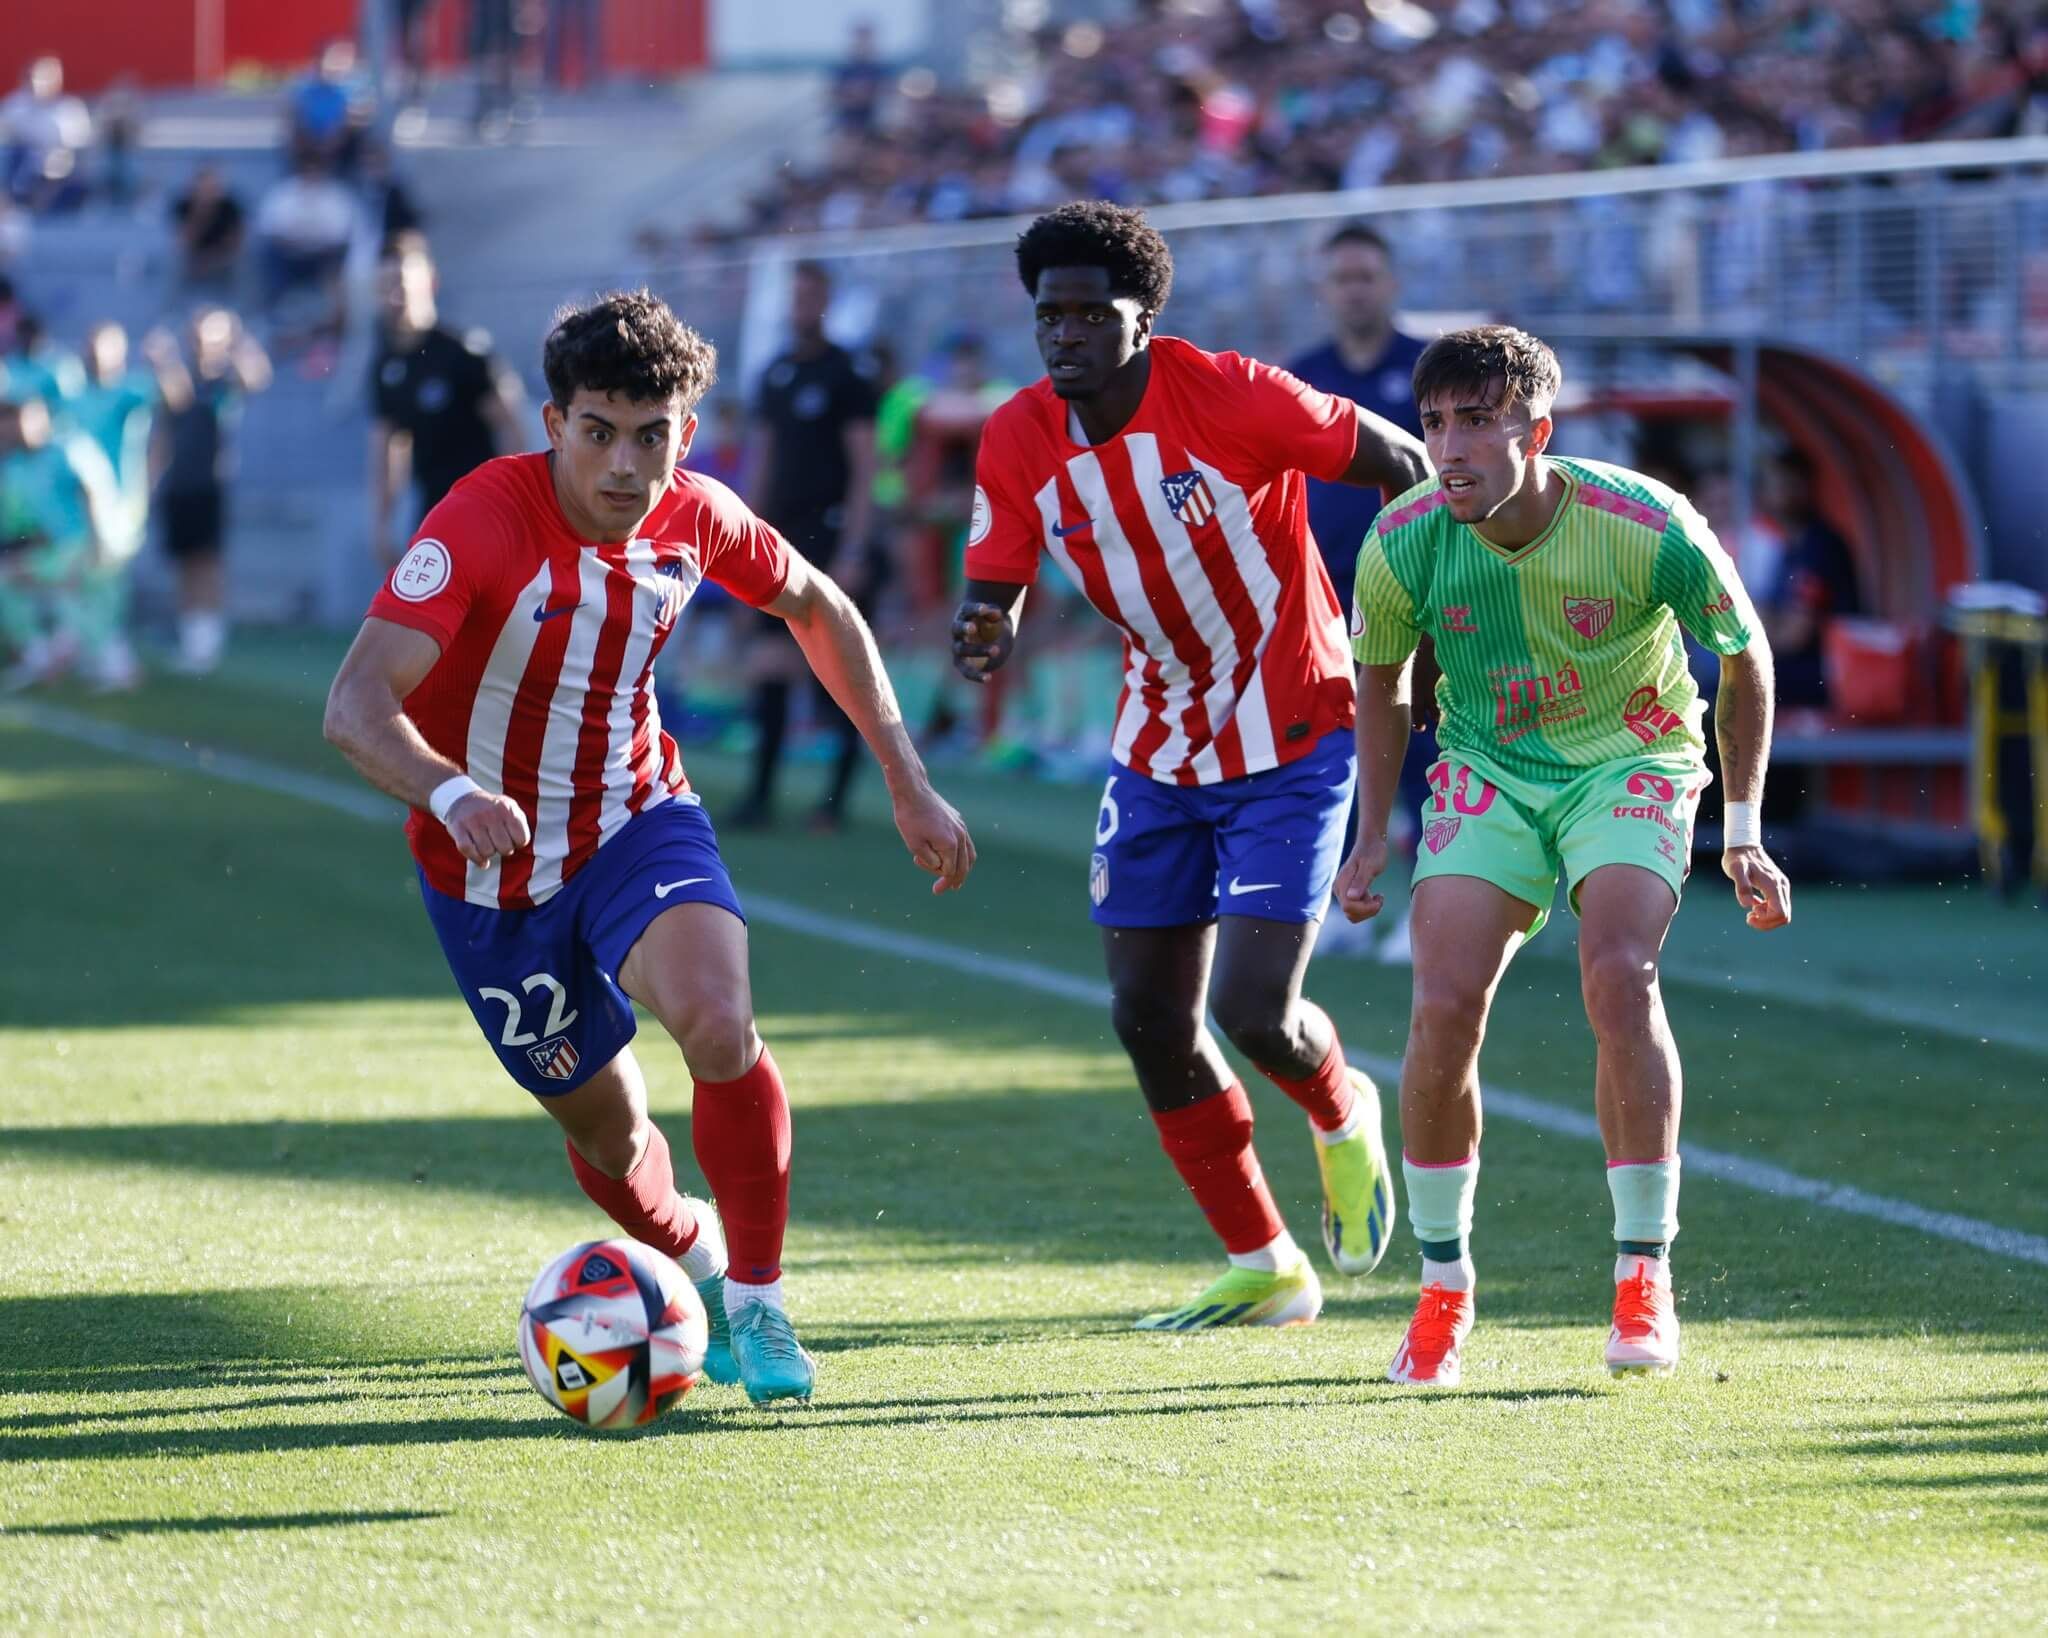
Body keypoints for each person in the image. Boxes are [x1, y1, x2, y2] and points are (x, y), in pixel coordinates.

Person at [322, 290, 974, 1405]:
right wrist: (445, 791)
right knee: (614, 1138)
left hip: (635, 818)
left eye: (652, 435)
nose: (625, 465)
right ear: (552, 424)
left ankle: (761, 1306)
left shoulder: (698, 513)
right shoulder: (480, 520)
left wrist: (906, 779)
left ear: (686, 429)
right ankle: (703, 1268)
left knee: (719, 1024)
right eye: (598, 433)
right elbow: (354, 703)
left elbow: (817, 606)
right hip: (487, 875)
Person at [951, 201, 1428, 1331]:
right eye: (1045, 315)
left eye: (1087, 313)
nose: (1061, 334)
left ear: (1142, 318)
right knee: (1146, 1019)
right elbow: (994, 575)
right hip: (1158, 748)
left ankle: (1339, 1105)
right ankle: (1265, 1262)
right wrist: (987, 624)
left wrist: (1418, 610)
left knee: (1257, 1008)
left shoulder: (1235, 392)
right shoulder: (1016, 435)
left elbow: (1402, 461)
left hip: (1294, 734)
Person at [1338, 325, 1792, 1387]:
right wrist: (1368, 838)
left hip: (1627, 757)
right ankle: (1442, 1287)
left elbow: (1743, 657)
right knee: (1441, 1003)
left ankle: (1643, 1276)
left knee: (1617, 976)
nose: (1447, 449)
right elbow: (1379, 683)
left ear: (1535, 431)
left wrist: (1743, 832)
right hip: (1487, 765)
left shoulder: (1644, 524)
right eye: (1434, 423)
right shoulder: (1401, 539)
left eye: (1477, 423)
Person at [1288, 222, 1434, 963]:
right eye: (1341, 277)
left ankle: (1429, 913)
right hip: (1324, 601)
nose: (1354, 289)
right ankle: (1344, 904)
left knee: (1424, 751)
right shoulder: (1301, 375)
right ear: (1324, 290)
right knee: (1332, 752)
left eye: (1366, 276)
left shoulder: (1426, 371)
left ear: (1392, 284)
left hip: (1420, 594)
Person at [733, 259, 880, 831]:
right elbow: (762, 458)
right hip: (783, 539)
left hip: (833, 533)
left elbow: (866, 466)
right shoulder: (774, 375)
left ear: (825, 302)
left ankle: (835, 802)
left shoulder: (849, 374)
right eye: (794, 296)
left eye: (811, 296)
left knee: (840, 670)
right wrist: (745, 532)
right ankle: (761, 795)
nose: (801, 307)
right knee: (769, 663)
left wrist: (856, 546)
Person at [368, 234, 524, 569]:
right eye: (385, 286)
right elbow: (387, 450)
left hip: (482, 510)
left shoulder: (463, 353)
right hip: (432, 515)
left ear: (430, 282)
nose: (394, 296)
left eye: (401, 283)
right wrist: (382, 523)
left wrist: (517, 504)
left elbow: (510, 427)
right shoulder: (385, 366)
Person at [148, 308, 272, 674]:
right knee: (184, 562)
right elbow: (174, 406)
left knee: (207, 562)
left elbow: (257, 377)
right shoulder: (183, 375)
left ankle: (207, 638)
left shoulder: (224, 382)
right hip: (178, 482)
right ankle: (191, 636)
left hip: (209, 484)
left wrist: (237, 342)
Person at [0, 387, 119, 689]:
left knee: (78, 600)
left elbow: (95, 495)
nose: (17, 425)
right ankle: (39, 657)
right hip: (48, 553)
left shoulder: (67, 448)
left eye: (23, 417)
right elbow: (26, 523)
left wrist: (98, 546)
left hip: (80, 548)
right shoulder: (14, 463)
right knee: (9, 583)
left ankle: (105, 659)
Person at [1757, 447, 1861, 710]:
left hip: (1828, 673)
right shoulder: (1788, 547)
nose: (1782, 491)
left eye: (1790, 482)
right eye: (1774, 483)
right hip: (1803, 667)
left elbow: (1795, 635)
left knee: (1726, 681)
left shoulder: (1819, 546)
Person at [171, 164, 247, 293]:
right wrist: (201, 212)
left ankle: (243, 310)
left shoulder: (231, 207)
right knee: (173, 263)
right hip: (192, 258)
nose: (207, 190)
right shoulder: (183, 206)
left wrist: (211, 261)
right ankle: (170, 310)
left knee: (244, 264)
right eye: (204, 186)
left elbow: (236, 242)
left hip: (223, 258)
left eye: (212, 186)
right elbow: (183, 241)